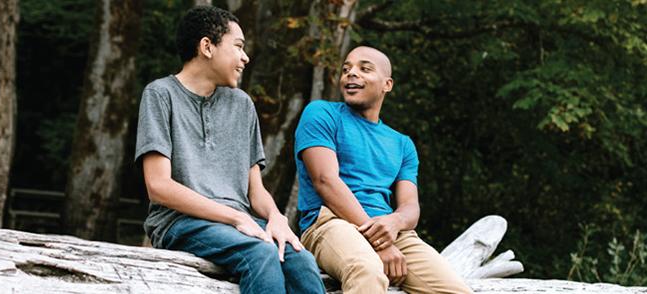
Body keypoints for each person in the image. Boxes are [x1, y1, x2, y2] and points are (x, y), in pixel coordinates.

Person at [134, 6, 323, 294]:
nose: (245, 57)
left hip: (241, 224)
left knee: (301, 261)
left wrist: (276, 218)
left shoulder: (242, 105)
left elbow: (255, 190)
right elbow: (158, 186)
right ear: (207, 47)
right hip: (180, 222)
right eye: (238, 46)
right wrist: (235, 217)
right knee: (260, 254)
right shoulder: (160, 94)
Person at [294, 46, 473, 293]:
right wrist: (378, 242)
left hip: (391, 231)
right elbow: (325, 181)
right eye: (346, 69)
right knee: (367, 271)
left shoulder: (402, 144)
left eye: (364, 69)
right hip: (331, 222)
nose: (351, 74)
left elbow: (410, 206)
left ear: (387, 85)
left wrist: (394, 222)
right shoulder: (322, 113)